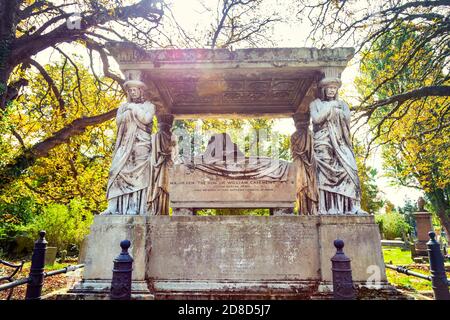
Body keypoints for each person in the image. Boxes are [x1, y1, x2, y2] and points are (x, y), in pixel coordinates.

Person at [310, 77, 365, 214]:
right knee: (325, 174)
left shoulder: (343, 105)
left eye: (334, 88)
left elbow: (347, 121)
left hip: (340, 142)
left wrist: (336, 109)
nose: (332, 90)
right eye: (329, 88)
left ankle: (353, 207)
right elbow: (316, 119)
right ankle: (330, 207)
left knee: (350, 169)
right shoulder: (315, 104)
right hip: (323, 140)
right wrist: (330, 107)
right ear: (323, 89)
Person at [102, 80, 155, 215]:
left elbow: (146, 119)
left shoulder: (149, 105)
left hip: (141, 144)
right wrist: (128, 109)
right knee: (115, 171)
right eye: (130, 90)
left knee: (138, 176)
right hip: (125, 144)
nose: (132, 92)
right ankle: (113, 207)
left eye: (135, 90)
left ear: (141, 91)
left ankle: (134, 207)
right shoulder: (123, 106)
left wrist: (133, 108)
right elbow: (118, 121)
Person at [290, 113, 319, 215]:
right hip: (300, 163)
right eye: (299, 122)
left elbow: (313, 149)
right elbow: (294, 152)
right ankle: (303, 209)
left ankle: (310, 209)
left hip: (309, 162)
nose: (301, 124)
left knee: (309, 184)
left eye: (303, 122)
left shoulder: (310, 134)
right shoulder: (294, 136)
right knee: (301, 185)